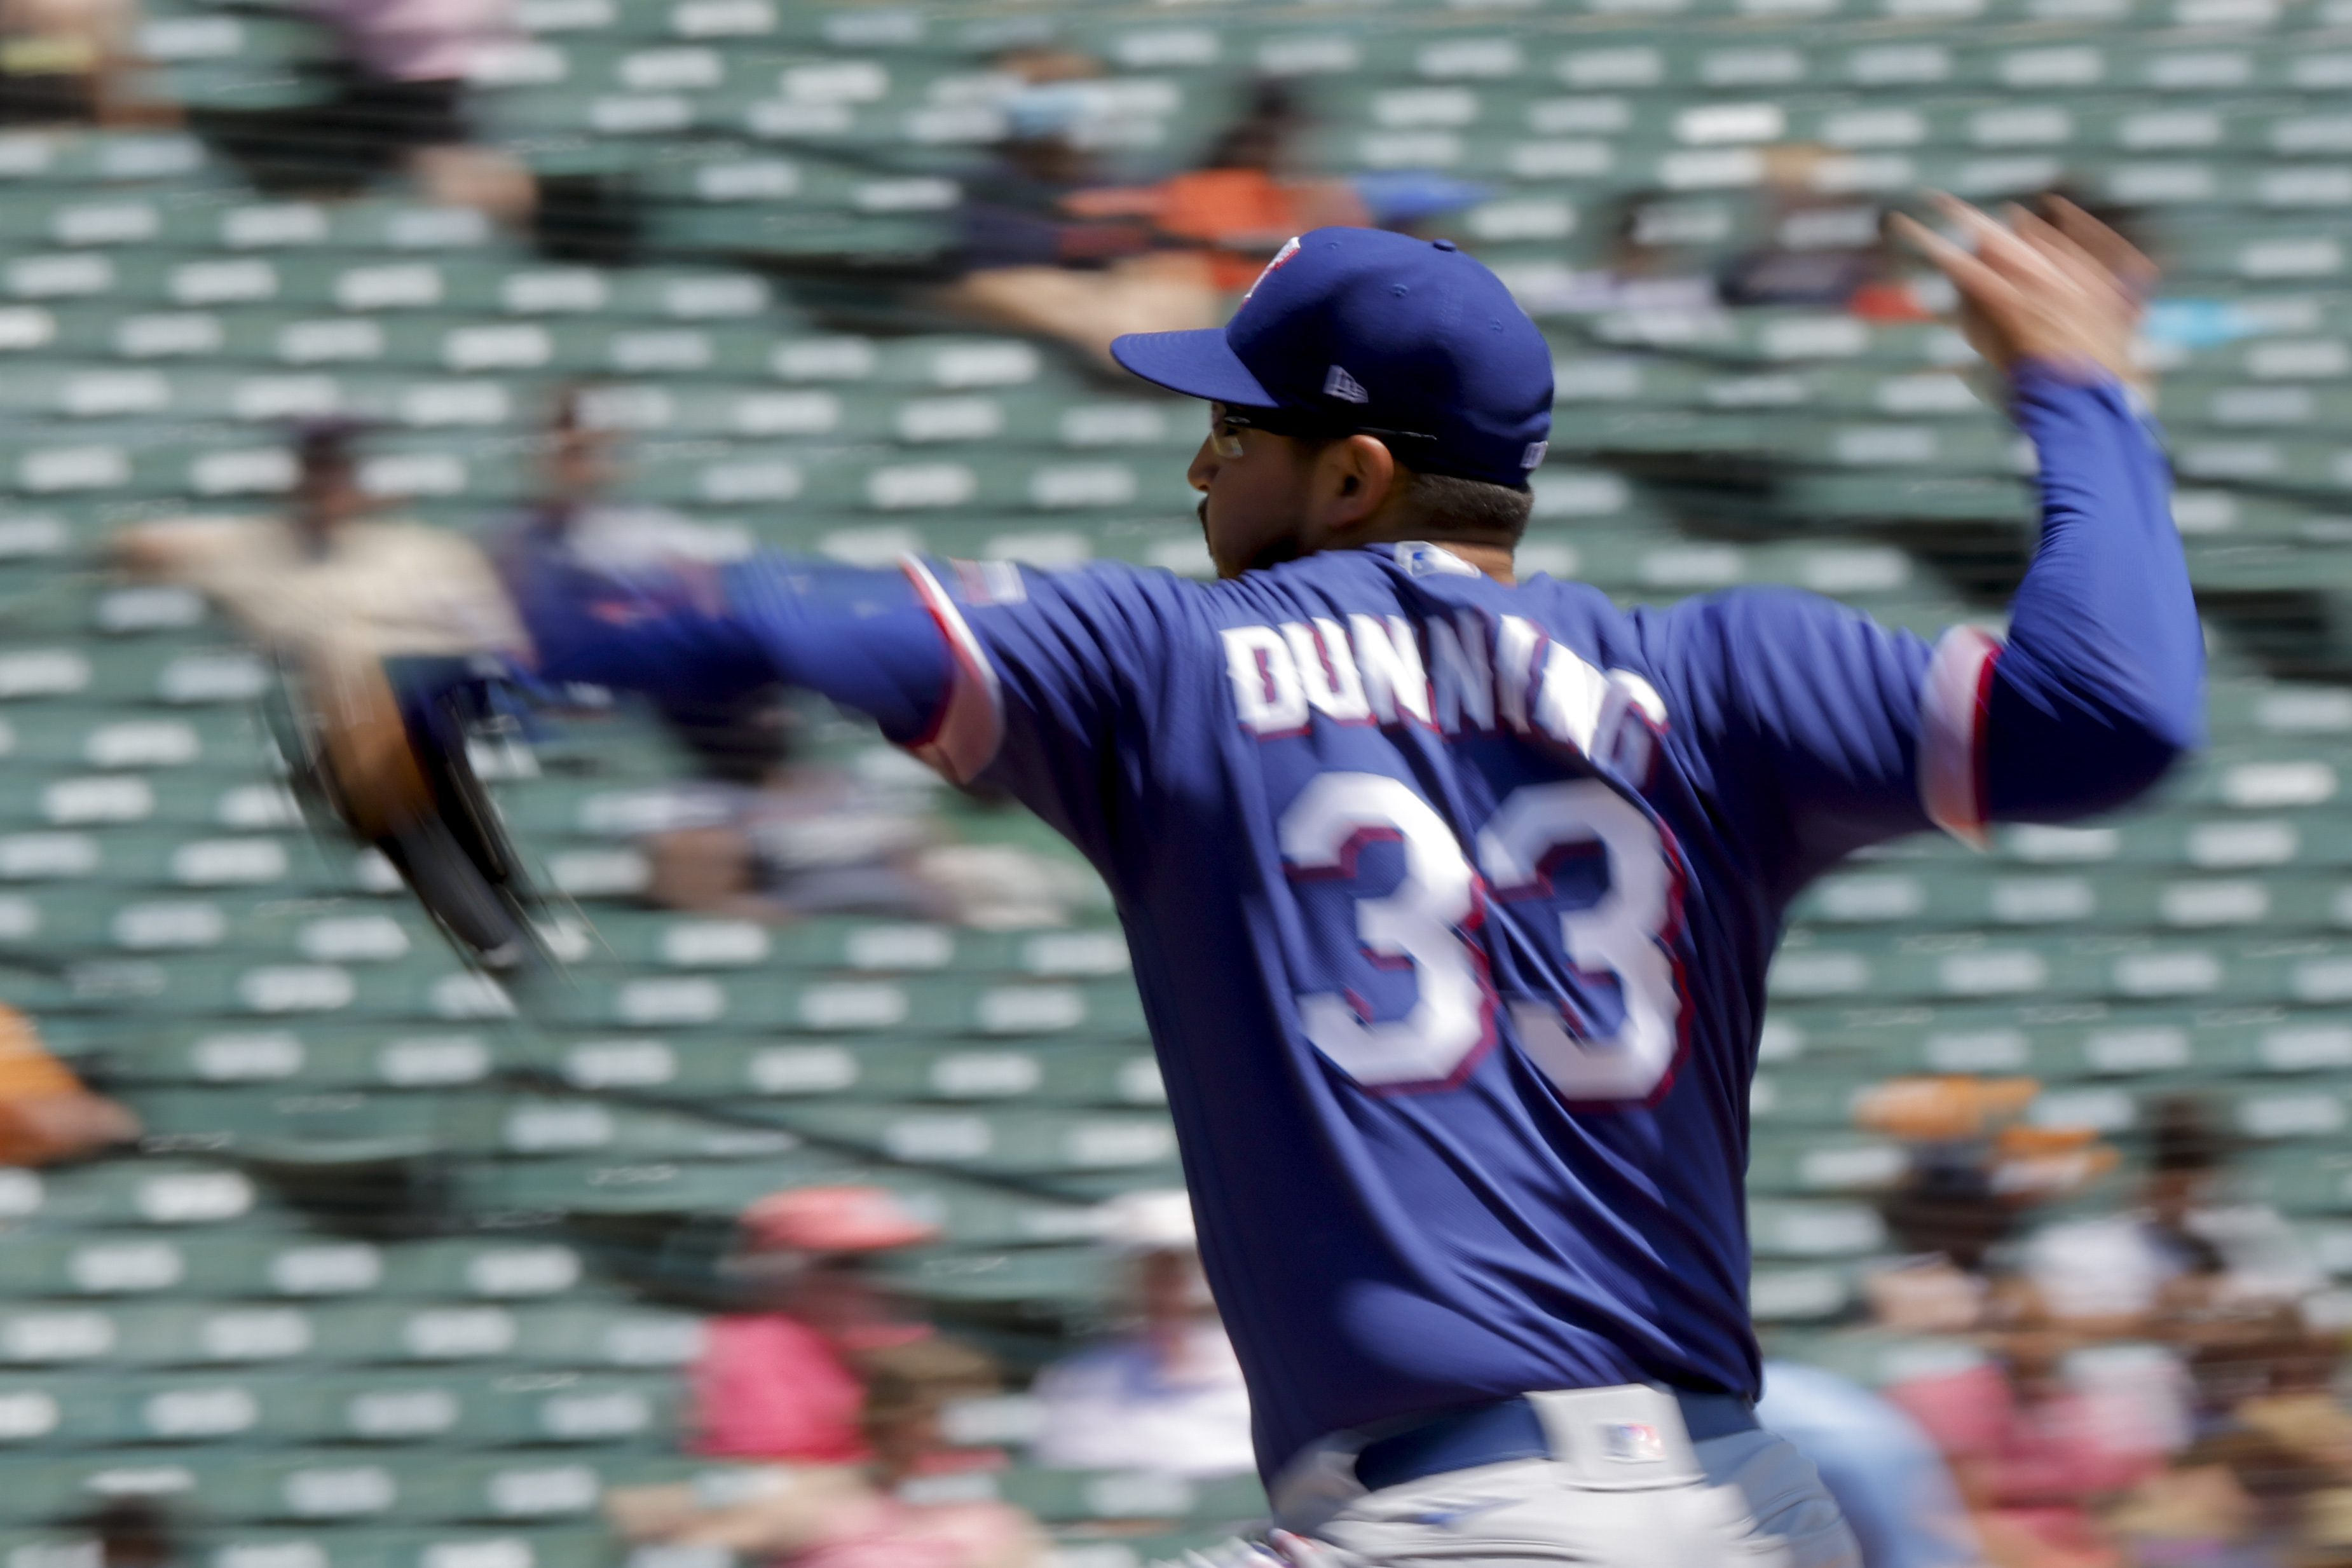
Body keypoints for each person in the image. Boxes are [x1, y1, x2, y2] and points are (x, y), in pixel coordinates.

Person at [482, 199, 2199, 1567]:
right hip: (1743, 1505)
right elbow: (2110, 714)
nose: (1198, 466)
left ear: (1354, 472)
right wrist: (2078, 397)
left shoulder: (1160, 658)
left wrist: (474, 656)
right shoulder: (1729, 673)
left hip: (1457, 1519)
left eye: (1235, 429)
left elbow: (757, 611)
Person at [688, 1185, 940, 1466]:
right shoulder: (750, 1351)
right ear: (780, 1274)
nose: (874, 1284)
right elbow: (784, 1485)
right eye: (848, 1266)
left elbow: (959, 1465)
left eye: (887, 1264)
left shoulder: (907, 1346)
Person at [1030, 1189, 1255, 1479]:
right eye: (1163, 1267)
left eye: (1197, 1262)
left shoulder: (1279, 1372)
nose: (1185, 1284)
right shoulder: (1079, 1381)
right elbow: (1078, 1491)